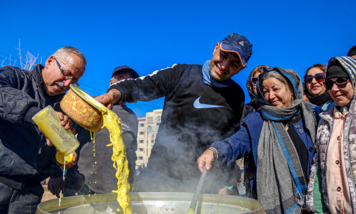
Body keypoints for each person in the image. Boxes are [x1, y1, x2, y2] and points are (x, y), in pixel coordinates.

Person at [96, 33, 252, 193]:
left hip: (201, 185)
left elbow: (229, 140)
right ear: (216, 48)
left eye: (233, 63)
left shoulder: (237, 96)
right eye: (223, 55)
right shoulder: (181, 73)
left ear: (241, 68)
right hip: (158, 176)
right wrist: (113, 94)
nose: (224, 65)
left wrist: (224, 184)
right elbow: (143, 85)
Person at [197, 67, 326, 214]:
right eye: (265, 91)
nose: (270, 96)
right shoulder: (257, 120)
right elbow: (235, 143)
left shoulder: (314, 115)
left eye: (276, 89)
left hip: (315, 209)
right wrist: (213, 151)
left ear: (291, 88)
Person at [0, 46, 85, 214]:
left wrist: (63, 159)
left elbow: (58, 145)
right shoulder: (16, 77)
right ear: (50, 61)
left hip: (29, 192)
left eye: (74, 80)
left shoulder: (66, 105)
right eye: (66, 74)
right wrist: (39, 116)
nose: (67, 84)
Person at [61, 66, 139, 196]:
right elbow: (64, 133)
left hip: (116, 191)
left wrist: (132, 182)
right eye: (120, 78)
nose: (125, 83)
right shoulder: (92, 103)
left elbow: (132, 152)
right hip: (81, 186)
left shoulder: (132, 117)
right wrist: (54, 174)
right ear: (111, 83)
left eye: (130, 81)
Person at [306, 56, 356, 214]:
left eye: (341, 81)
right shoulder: (325, 120)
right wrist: (318, 210)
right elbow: (318, 167)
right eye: (330, 83)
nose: (335, 89)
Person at [220, 64, 270, 195]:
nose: (260, 82)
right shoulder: (243, 111)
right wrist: (226, 181)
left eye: (264, 77)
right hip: (254, 175)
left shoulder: (284, 108)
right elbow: (231, 143)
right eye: (255, 80)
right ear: (250, 85)